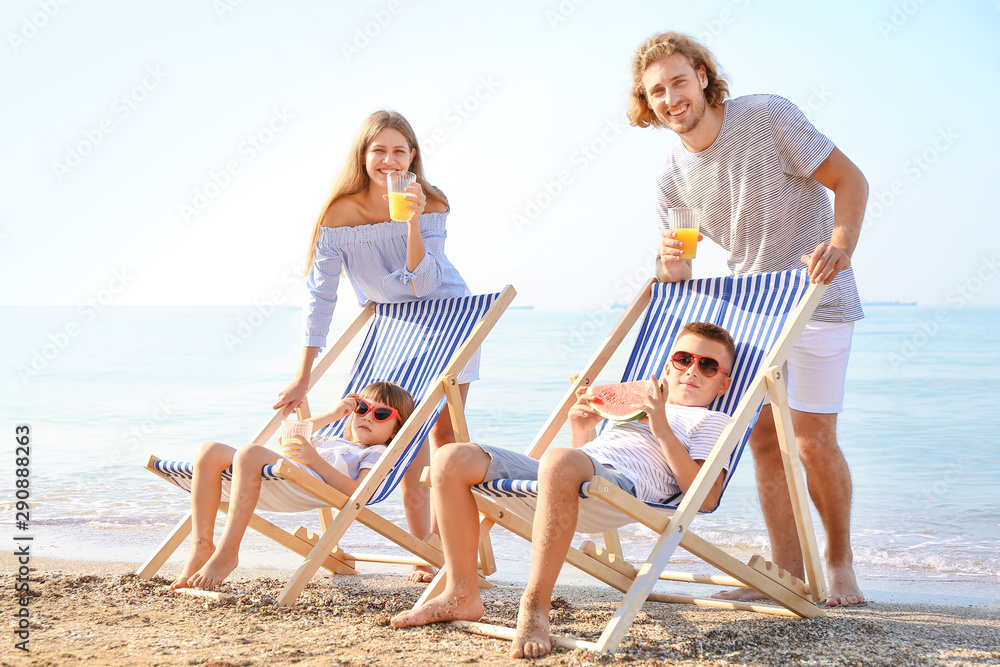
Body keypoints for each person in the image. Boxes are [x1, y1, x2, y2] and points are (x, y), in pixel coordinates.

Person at [627, 31, 868, 607]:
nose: (670, 98)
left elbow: (850, 180)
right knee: (761, 439)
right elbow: (682, 275)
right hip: (752, 312)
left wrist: (842, 244)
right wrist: (669, 265)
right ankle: (787, 571)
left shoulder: (768, 117)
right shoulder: (670, 176)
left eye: (679, 81)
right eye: (656, 90)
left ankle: (838, 560)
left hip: (817, 296)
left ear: (703, 76)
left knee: (811, 441)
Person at [391, 322, 735, 659]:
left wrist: (661, 429)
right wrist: (582, 429)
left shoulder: (712, 422)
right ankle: (461, 591)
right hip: (576, 472)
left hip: (622, 489)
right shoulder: (636, 409)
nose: (692, 370)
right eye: (683, 359)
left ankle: (536, 606)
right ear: (668, 366)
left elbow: (705, 498)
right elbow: (584, 462)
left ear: (723, 384)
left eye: (707, 366)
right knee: (451, 458)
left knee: (556, 460)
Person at [273, 110, 476, 582]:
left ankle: (437, 550)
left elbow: (424, 283)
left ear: (413, 157)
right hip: (392, 327)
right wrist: (303, 375)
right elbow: (321, 296)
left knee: (442, 440)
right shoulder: (338, 214)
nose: (389, 160)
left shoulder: (433, 203)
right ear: (363, 156)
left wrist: (410, 220)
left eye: (399, 151)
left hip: (448, 317)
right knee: (397, 437)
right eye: (378, 150)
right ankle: (412, 542)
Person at [171, 381, 414, 590]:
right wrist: (334, 414)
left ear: (396, 429)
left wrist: (315, 461)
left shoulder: (375, 452)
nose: (368, 416)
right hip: (283, 476)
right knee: (208, 450)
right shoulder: (329, 439)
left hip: (304, 483)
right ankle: (201, 546)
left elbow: (358, 493)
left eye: (382, 414)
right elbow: (285, 438)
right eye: (362, 408)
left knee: (249, 453)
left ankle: (227, 551)